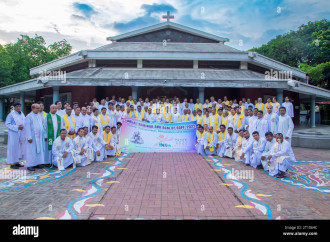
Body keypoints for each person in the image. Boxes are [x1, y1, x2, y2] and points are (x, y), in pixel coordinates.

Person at [25, 103, 45, 171]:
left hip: (39, 137)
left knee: (39, 151)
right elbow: (27, 128)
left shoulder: (39, 115)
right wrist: (29, 137)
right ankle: (30, 164)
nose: (39, 109)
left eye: (39, 108)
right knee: (32, 151)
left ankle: (37, 163)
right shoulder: (29, 116)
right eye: (37, 108)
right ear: (33, 108)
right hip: (32, 137)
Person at [5, 102, 26, 169]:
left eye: (19, 106)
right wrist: (17, 127)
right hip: (14, 134)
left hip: (21, 133)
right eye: (16, 106)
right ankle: (12, 163)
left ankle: (17, 162)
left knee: (19, 148)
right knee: (13, 148)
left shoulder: (22, 114)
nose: (18, 108)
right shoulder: (11, 115)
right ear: (14, 107)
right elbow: (7, 124)